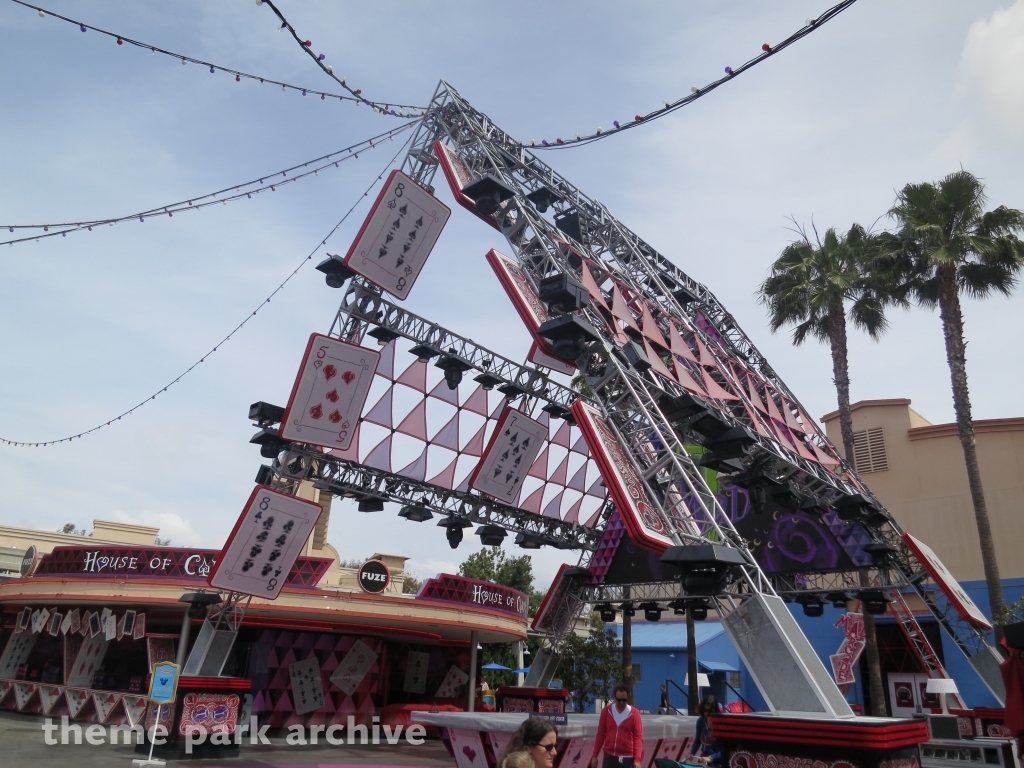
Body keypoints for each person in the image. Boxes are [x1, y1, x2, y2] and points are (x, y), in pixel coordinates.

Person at [591, 683, 643, 768]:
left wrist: (637, 760)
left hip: (627, 758)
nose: (621, 702)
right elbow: (600, 735)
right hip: (609, 757)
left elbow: (638, 737)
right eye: (619, 700)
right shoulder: (606, 712)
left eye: (624, 700)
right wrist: (594, 756)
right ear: (614, 698)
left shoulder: (635, 714)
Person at [687, 695, 722, 766]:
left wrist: (711, 757)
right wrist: (692, 753)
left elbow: (726, 750)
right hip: (705, 762)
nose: (706, 713)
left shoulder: (721, 724)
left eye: (709, 711)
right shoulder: (701, 721)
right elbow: (697, 740)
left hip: (719, 763)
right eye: (704, 710)